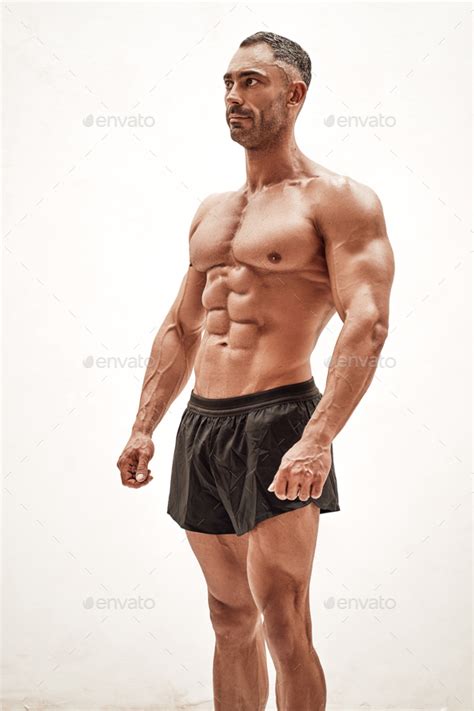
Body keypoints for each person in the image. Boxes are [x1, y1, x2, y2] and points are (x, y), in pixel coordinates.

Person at [117, 30, 395, 711]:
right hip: (201, 426)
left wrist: (319, 436)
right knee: (228, 616)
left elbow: (368, 323)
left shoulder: (338, 202)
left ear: (294, 95)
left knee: (285, 620)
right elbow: (182, 326)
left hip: (280, 422)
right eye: (228, 83)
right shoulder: (211, 212)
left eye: (251, 82)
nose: (233, 97)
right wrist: (144, 425)